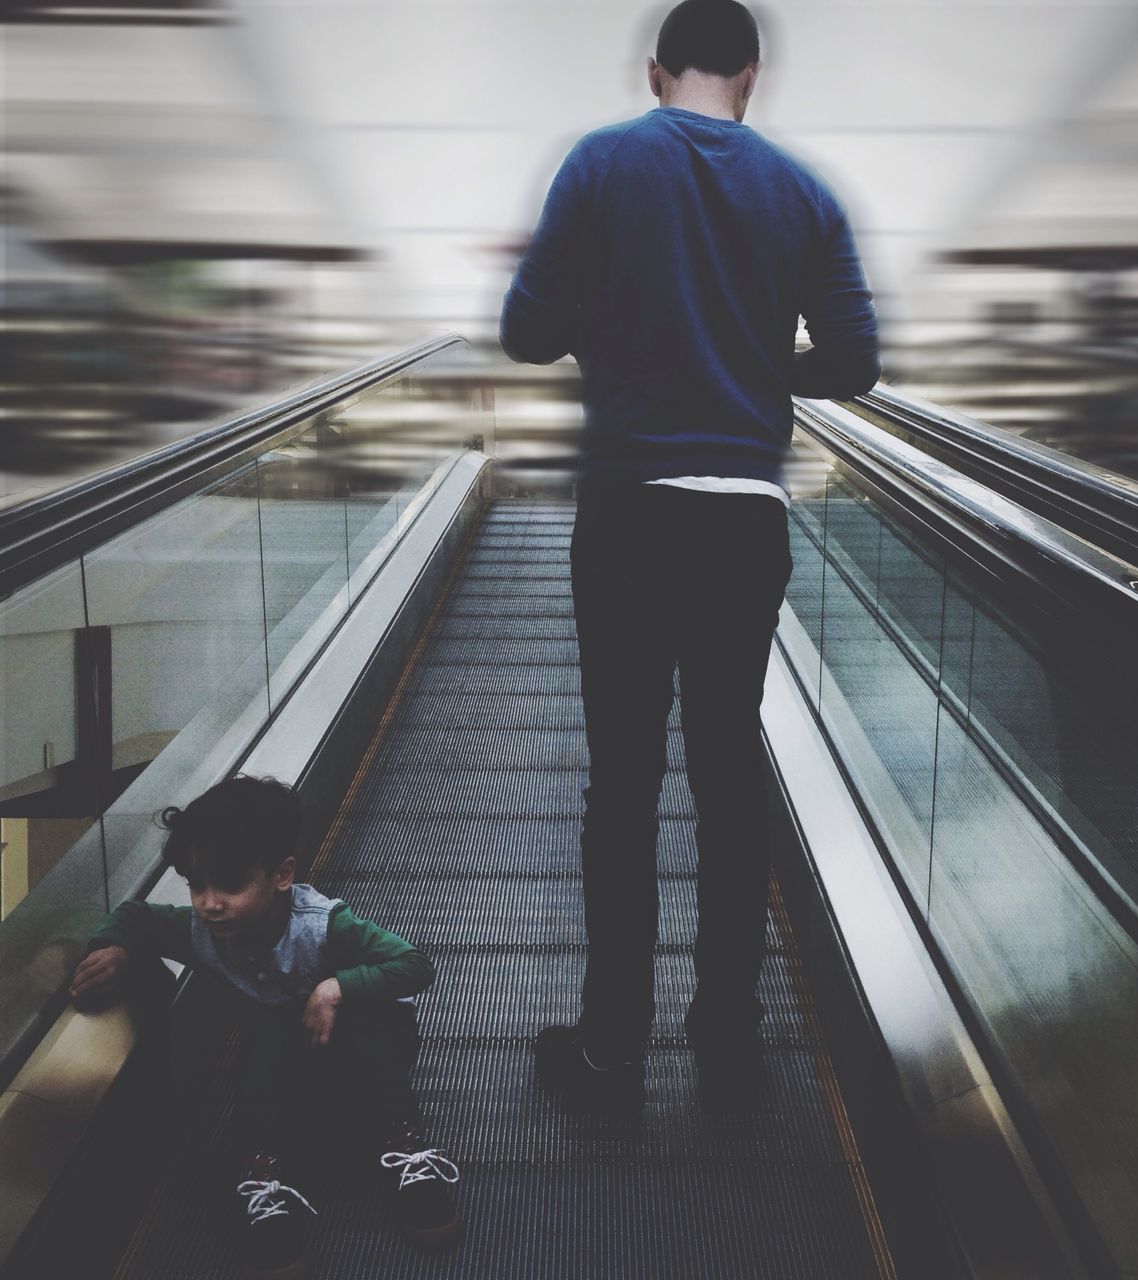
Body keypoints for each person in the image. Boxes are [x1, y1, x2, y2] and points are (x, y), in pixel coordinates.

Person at [500, 0, 880, 1109]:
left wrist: (613, 334)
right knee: (727, 778)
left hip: (625, 510)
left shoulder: (602, 163)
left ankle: (611, 1048)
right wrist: (759, 367)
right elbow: (853, 361)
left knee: (622, 785)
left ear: (657, 70)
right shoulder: (805, 195)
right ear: (750, 77)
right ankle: (728, 1048)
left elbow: (525, 330)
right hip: (741, 522)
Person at [68, 775, 461, 1278]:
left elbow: (414, 965)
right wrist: (115, 947)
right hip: (284, 1056)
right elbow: (136, 916)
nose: (210, 903)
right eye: (196, 885)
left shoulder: (322, 924)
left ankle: (403, 1145)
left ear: (282, 874)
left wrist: (334, 988)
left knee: (362, 1030)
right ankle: (263, 1176)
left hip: (365, 1042)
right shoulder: (200, 928)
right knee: (261, 1047)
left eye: (230, 885)